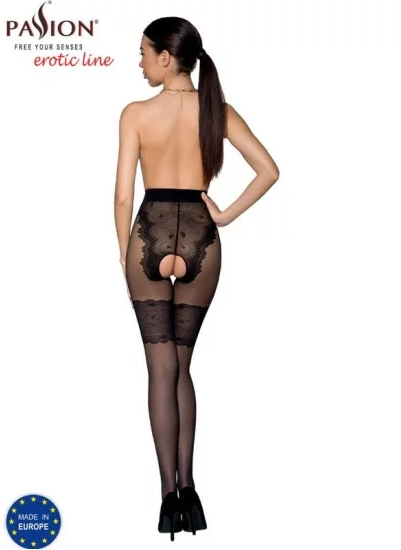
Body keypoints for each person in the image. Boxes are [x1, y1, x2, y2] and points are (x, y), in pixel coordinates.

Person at [113, 16, 280, 541]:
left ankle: (168, 497)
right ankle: (190, 489)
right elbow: (269, 170)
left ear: (167, 57)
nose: (140, 62)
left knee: (159, 370)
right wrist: (224, 216)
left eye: (144, 53)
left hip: (150, 233)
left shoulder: (136, 114)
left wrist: (126, 257)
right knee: (183, 368)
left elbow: (122, 196)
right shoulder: (217, 111)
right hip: (202, 242)